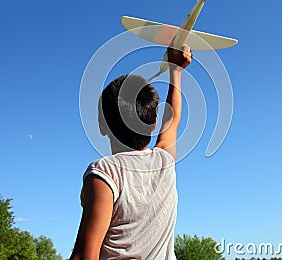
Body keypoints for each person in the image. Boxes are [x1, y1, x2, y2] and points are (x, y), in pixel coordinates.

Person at [70, 44, 192, 260]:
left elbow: (84, 256)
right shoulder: (164, 161)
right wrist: (176, 70)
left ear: (101, 124)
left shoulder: (105, 172)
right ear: (154, 123)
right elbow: (172, 121)